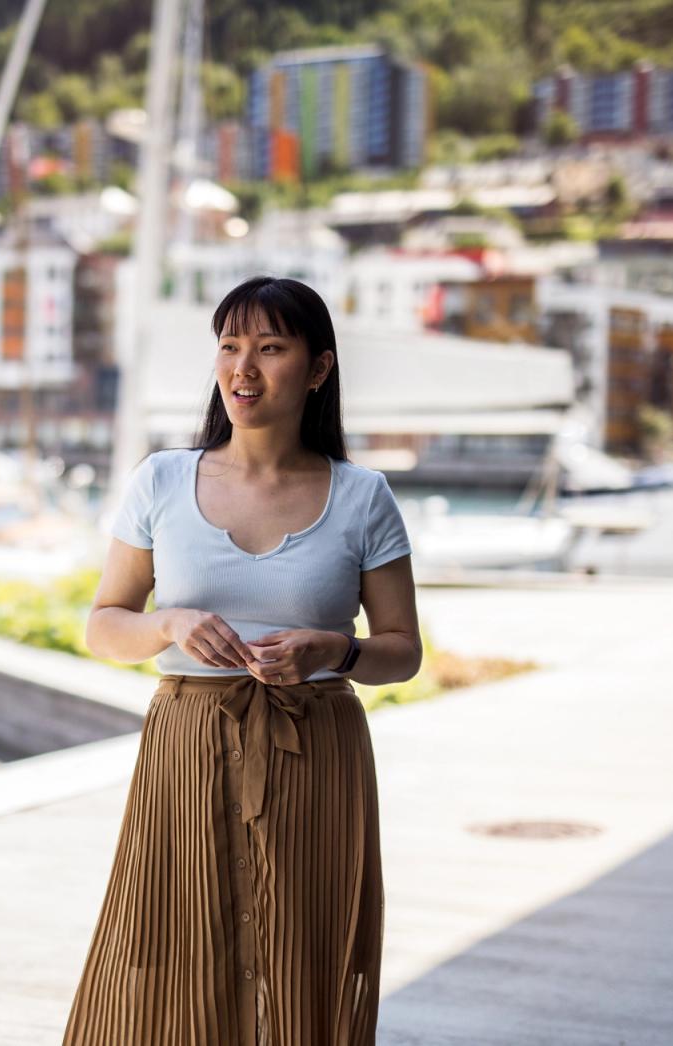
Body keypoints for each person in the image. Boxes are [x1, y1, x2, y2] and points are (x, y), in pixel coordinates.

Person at [64, 276, 422, 1045]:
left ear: (318, 368)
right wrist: (167, 623)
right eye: (229, 346)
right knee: (175, 946)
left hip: (315, 745)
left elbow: (403, 651)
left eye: (269, 347)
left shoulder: (363, 497)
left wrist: (341, 649)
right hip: (189, 743)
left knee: (305, 951)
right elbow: (102, 626)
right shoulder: (162, 479)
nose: (243, 369)